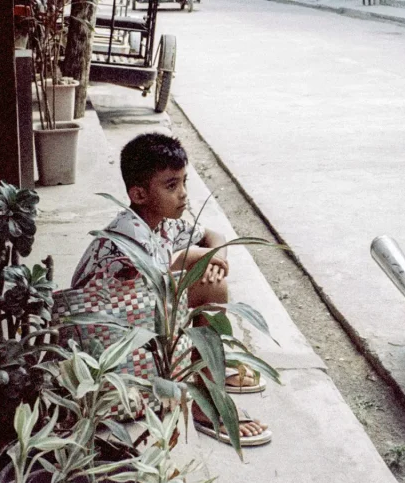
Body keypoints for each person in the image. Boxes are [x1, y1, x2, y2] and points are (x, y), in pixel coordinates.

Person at [71, 132, 271, 446]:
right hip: (108, 338)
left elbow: (214, 236)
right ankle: (206, 398)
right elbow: (175, 263)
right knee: (210, 285)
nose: (183, 195)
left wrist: (216, 256)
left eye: (183, 182)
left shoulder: (161, 221)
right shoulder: (130, 234)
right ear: (138, 194)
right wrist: (203, 257)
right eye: (171, 185)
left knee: (212, 282)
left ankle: (208, 376)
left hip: (140, 318)